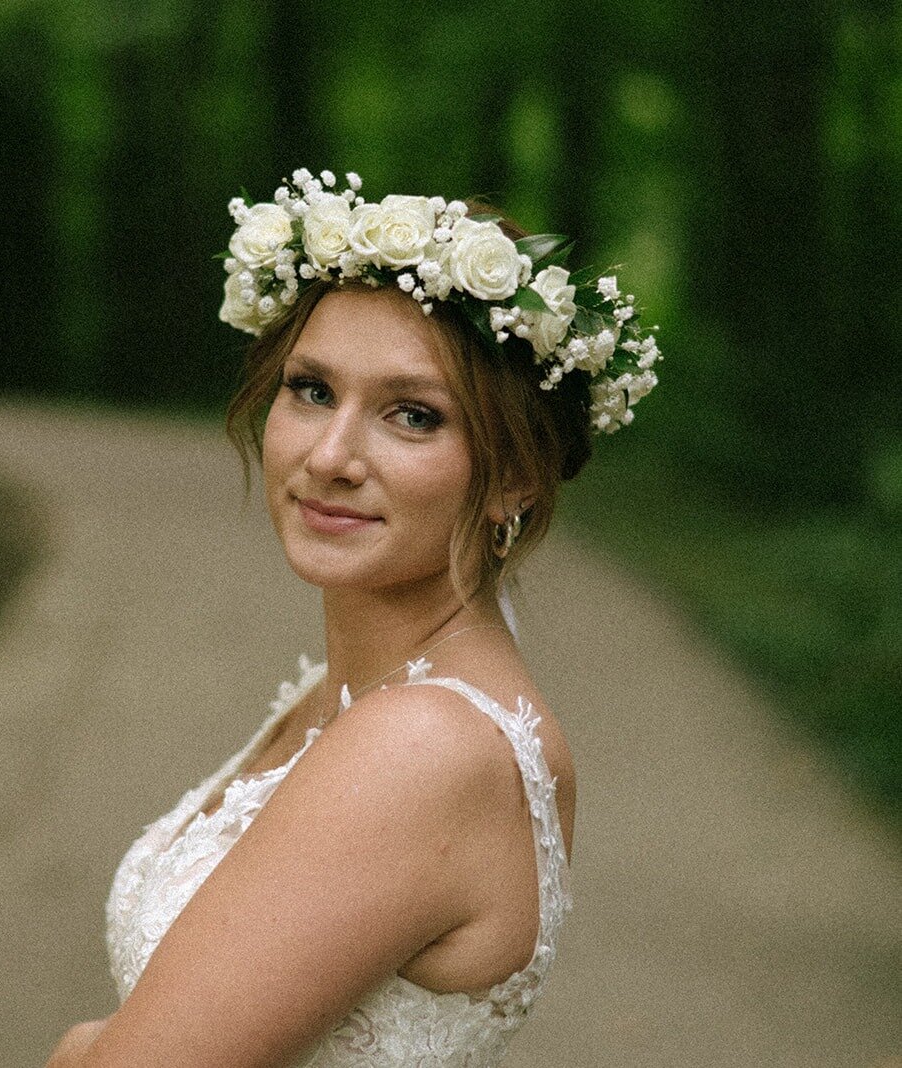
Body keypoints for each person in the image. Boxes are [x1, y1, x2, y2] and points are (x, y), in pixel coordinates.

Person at [46, 169, 660, 1067]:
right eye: (312, 390)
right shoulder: (355, 693)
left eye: (412, 416)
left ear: (517, 477)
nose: (331, 457)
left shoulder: (422, 746)